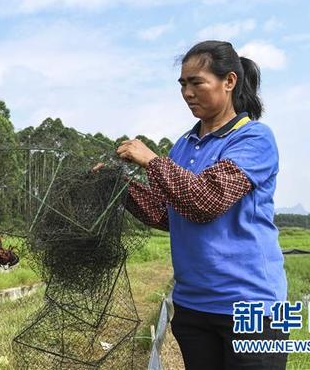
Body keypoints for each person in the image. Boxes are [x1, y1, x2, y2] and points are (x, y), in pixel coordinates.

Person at [116, 40, 288, 369]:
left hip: (250, 307)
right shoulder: (184, 145)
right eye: (183, 84)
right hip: (194, 306)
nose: (187, 92)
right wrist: (120, 188)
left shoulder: (253, 138)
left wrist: (151, 160)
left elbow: (204, 200)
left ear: (229, 82)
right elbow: (168, 213)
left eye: (197, 82)